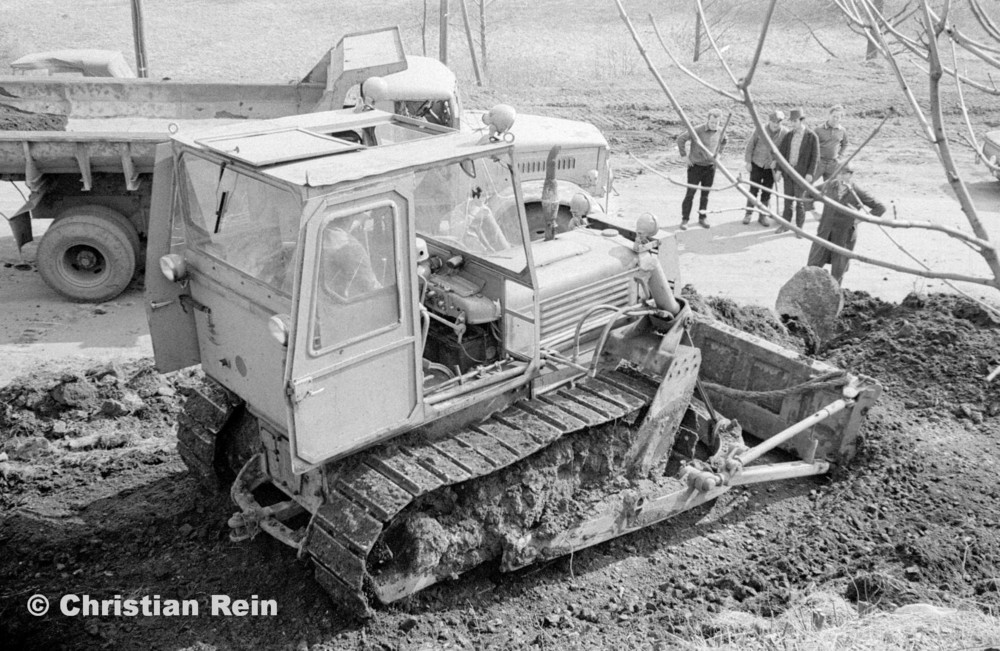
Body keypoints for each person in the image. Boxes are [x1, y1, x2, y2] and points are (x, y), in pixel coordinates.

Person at [806, 165, 885, 284]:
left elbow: (880, 207)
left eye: (845, 174)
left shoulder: (857, 191)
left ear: (850, 175)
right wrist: (814, 212)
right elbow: (808, 194)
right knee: (813, 265)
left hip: (844, 235)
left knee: (838, 270)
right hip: (825, 231)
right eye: (839, 173)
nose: (841, 176)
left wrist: (859, 219)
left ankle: (835, 295)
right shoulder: (828, 185)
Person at [676, 108, 727, 230]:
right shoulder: (698, 130)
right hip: (695, 167)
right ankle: (685, 219)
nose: (714, 125)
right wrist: (684, 156)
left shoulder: (721, 131)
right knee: (690, 194)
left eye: (717, 123)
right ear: (708, 120)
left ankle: (702, 217)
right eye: (712, 122)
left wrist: (719, 154)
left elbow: (725, 141)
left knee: (705, 195)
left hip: (710, 167)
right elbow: (681, 139)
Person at [776, 107, 820, 236]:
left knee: (800, 202)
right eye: (791, 121)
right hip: (788, 173)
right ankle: (785, 225)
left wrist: (810, 173)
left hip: (801, 175)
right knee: (787, 200)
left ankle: (799, 228)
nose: (792, 124)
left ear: (802, 120)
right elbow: (782, 154)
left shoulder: (811, 136)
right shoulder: (789, 135)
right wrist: (779, 170)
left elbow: (815, 157)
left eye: (795, 121)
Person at [743, 109, 787, 227]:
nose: (775, 124)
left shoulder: (784, 133)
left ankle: (763, 215)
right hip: (757, 163)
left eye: (778, 122)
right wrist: (748, 162)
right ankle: (748, 213)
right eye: (773, 121)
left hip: (770, 167)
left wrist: (777, 163)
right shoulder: (760, 129)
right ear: (769, 120)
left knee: (767, 191)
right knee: (753, 190)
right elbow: (750, 145)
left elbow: (784, 152)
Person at [806, 105, 850, 219]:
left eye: (838, 117)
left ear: (841, 118)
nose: (835, 119)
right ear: (829, 115)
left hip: (833, 164)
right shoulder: (818, 129)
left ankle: (829, 213)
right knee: (808, 185)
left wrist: (839, 156)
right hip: (819, 163)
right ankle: (811, 211)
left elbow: (845, 144)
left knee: (832, 189)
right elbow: (810, 145)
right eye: (834, 116)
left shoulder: (842, 130)